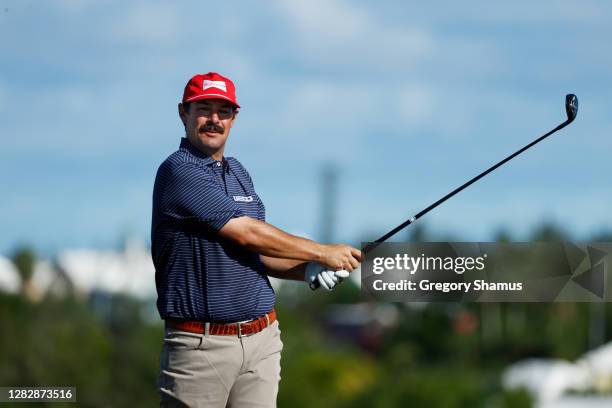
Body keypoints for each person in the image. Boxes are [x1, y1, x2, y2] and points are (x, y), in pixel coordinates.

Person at [151, 72, 362, 407]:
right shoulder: (179, 171)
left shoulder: (237, 172)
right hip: (200, 347)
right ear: (183, 113)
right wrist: (323, 252)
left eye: (224, 111)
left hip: (262, 340)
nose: (214, 120)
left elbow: (257, 251)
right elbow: (247, 231)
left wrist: (306, 270)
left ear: (234, 118)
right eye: (204, 109)